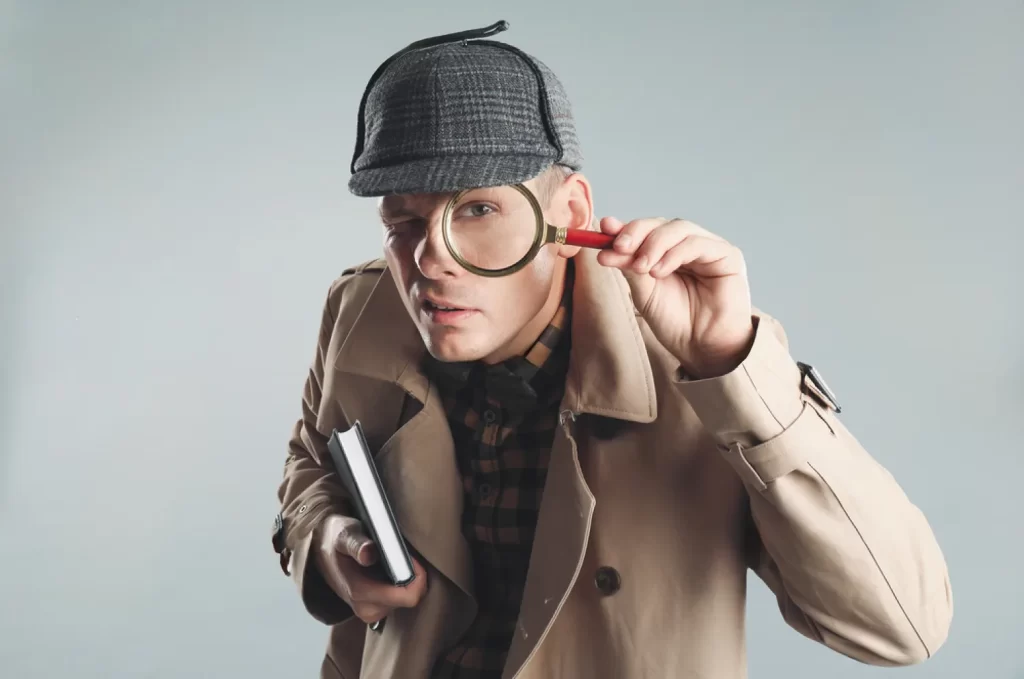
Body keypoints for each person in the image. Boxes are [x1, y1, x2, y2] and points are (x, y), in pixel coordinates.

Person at [272, 20, 952, 679]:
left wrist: (734, 369)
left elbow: (904, 625)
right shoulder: (363, 309)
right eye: (404, 220)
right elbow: (314, 457)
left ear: (568, 215)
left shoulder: (697, 362)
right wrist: (326, 540)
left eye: (476, 209)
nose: (431, 260)